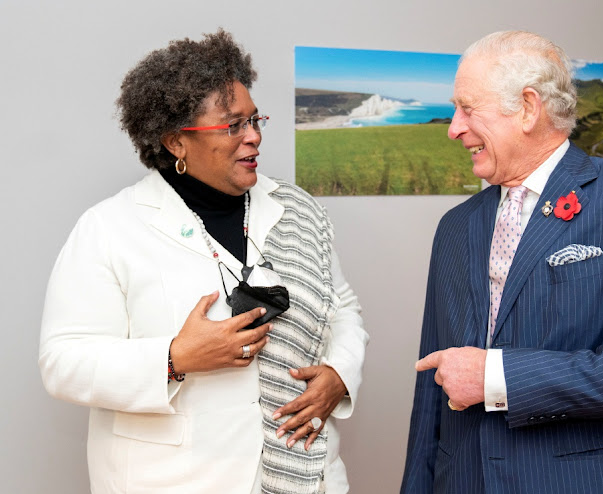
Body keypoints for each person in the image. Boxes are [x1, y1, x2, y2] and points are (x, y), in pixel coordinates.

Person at [39, 30, 368, 494]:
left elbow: (343, 308)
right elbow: (62, 361)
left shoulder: (298, 210)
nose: (254, 136)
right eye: (233, 125)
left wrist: (339, 374)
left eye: (255, 120)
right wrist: (174, 359)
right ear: (176, 142)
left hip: (304, 473)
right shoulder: (110, 227)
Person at [401, 30, 603, 493]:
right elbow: (432, 388)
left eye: (467, 108)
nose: (453, 127)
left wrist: (495, 377)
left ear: (529, 108)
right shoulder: (455, 227)